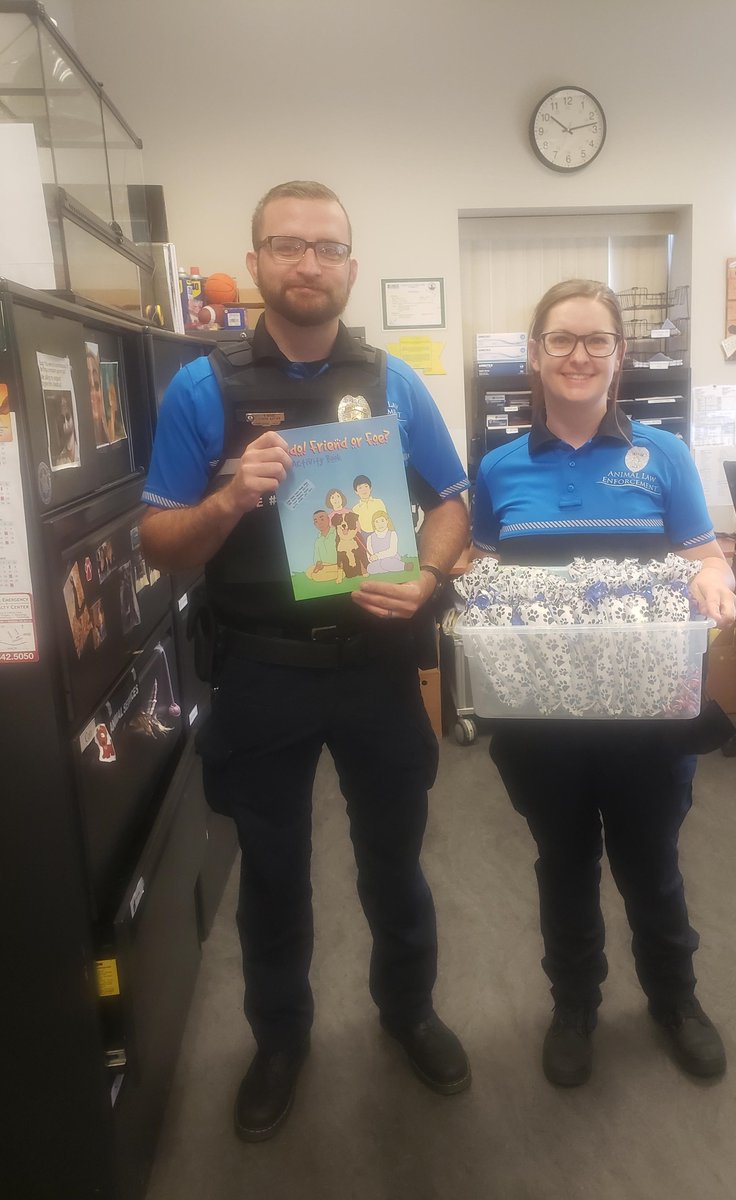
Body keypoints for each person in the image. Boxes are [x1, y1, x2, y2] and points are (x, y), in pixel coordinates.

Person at [139, 180, 471, 1142]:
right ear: (255, 263)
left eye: (327, 248)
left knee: (395, 863)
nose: (308, 263)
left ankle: (409, 1011)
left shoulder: (393, 380)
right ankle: (280, 1039)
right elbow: (160, 543)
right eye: (287, 245)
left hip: (373, 662)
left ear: (351, 267)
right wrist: (230, 498)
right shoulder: (203, 387)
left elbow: (450, 500)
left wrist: (430, 579)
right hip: (260, 671)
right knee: (274, 873)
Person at [469, 279, 736, 1088]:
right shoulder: (498, 467)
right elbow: (485, 570)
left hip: (649, 714)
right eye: (562, 339)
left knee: (651, 865)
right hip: (539, 721)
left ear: (619, 356)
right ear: (535, 355)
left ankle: (676, 1000)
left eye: (596, 340)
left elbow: (704, 559)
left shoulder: (664, 456)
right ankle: (575, 1006)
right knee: (563, 866)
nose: (578, 355)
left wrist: (720, 584)